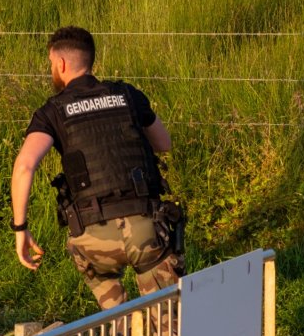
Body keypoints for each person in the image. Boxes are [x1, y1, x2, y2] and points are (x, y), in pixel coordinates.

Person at [10, 26, 184, 311]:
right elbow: (164, 143)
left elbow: (24, 166)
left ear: (61, 64)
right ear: (90, 61)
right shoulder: (127, 95)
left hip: (93, 238)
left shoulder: (53, 111)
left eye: (51, 65)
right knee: (169, 325)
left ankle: (119, 327)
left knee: (107, 297)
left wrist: (21, 228)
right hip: (146, 229)